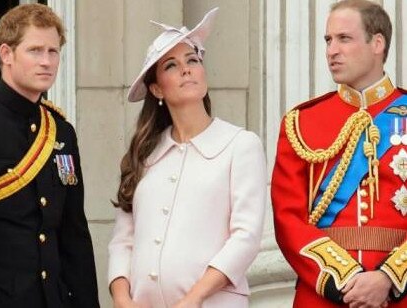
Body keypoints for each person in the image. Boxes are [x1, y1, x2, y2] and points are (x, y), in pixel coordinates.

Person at [108, 7, 267, 308]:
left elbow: (245, 237)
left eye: (192, 60)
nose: (186, 69)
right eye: (171, 65)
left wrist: (194, 298)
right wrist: (121, 299)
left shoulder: (240, 145)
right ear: (156, 88)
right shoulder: (143, 155)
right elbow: (122, 241)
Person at [271, 0, 407, 307]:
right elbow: (287, 219)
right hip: (324, 294)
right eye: (328, 40)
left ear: (377, 43)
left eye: (344, 38)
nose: (332, 50)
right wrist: (345, 281)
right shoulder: (301, 122)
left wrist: (389, 277)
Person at [0, 4, 100, 308]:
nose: (47, 62)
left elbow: (74, 235)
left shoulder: (61, 132)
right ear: (6, 54)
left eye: (53, 52)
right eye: (35, 50)